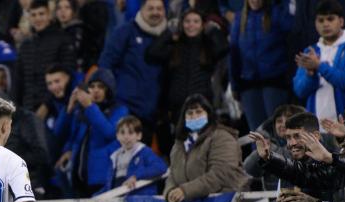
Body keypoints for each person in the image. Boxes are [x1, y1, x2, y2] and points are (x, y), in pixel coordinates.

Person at [98, 0, 167, 141]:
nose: (155, 12)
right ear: (141, 10)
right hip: (125, 109)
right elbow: (106, 64)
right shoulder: (125, 31)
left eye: (159, 9)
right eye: (151, 8)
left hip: (150, 114)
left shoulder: (168, 38)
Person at [146, 8, 229, 123]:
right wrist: (169, 32)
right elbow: (152, 53)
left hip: (202, 105)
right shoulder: (175, 46)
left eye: (196, 21)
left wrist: (212, 30)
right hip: (177, 106)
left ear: (202, 25)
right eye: (187, 21)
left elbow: (223, 49)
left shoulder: (208, 47)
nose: (191, 25)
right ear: (181, 24)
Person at [55, 69, 129, 197]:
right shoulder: (82, 111)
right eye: (92, 86)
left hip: (101, 179)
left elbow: (109, 133)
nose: (95, 90)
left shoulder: (120, 110)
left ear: (108, 90)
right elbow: (60, 135)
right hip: (78, 178)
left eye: (100, 87)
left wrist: (89, 106)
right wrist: (69, 109)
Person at [164, 94, 249, 202]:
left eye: (199, 112)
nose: (194, 116)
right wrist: (170, 192)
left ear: (208, 114)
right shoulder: (179, 144)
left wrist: (185, 191)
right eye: (190, 113)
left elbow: (221, 174)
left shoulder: (222, 137)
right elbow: (172, 175)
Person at [293, 0, 345, 123]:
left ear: (341, 21)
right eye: (321, 20)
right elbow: (299, 91)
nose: (325, 24)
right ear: (315, 24)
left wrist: (319, 66)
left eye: (330, 19)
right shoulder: (311, 50)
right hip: (317, 128)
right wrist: (310, 75)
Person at [229, 0, 293, 130]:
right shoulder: (239, 18)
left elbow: (292, 36)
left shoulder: (278, 13)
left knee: (279, 130)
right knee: (256, 132)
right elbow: (233, 54)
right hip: (248, 85)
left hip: (275, 82)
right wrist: (235, 85)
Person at [15, 0, 76, 111]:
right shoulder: (25, 45)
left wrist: (47, 105)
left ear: (49, 15)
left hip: (55, 108)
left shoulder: (63, 39)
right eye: (33, 15)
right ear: (29, 17)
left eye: (41, 14)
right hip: (27, 108)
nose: (37, 18)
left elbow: (68, 74)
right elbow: (19, 80)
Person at [97, 115, 168, 195]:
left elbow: (161, 167)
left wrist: (136, 176)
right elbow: (110, 186)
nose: (126, 137)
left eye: (130, 133)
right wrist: (94, 198)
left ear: (139, 136)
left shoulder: (144, 152)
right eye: (122, 133)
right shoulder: (115, 157)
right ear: (117, 136)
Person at [243, 104, 306, 192]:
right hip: (274, 199)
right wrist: (259, 153)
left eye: (288, 119)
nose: (283, 124)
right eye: (279, 121)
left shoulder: (307, 141)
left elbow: (288, 159)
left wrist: (270, 151)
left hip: (302, 197)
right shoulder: (270, 142)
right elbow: (249, 169)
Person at [55, 0, 86, 71]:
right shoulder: (54, 32)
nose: (63, 11)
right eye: (59, 8)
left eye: (67, 7)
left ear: (73, 11)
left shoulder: (79, 31)